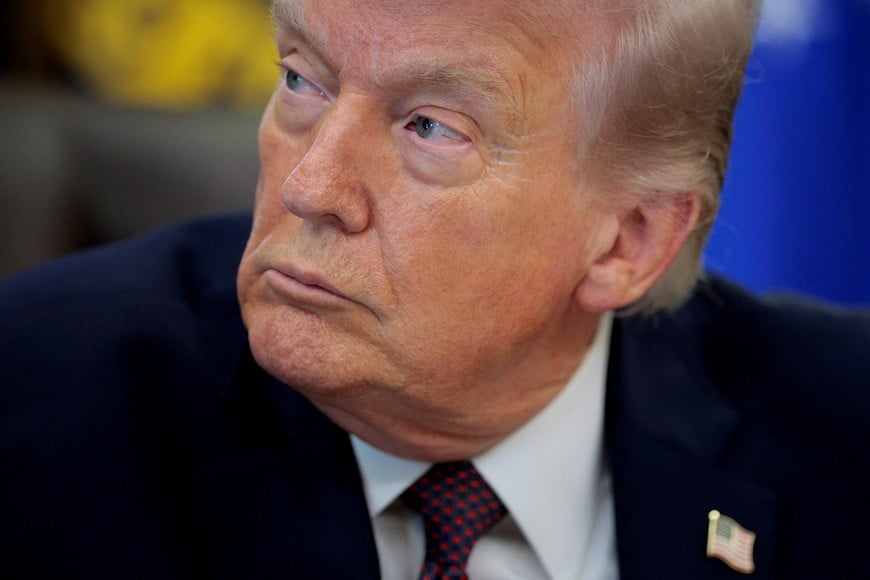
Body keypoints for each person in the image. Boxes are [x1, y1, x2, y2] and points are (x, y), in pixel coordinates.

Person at [2, 1, 869, 578]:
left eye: (430, 128)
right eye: (302, 79)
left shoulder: (843, 433)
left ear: (628, 240)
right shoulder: (37, 410)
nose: (310, 185)